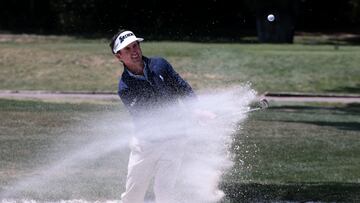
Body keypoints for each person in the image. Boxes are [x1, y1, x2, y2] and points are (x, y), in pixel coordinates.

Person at [109, 29, 197, 203]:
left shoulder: (160, 65)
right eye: (128, 49)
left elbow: (183, 88)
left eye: (135, 45)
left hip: (175, 140)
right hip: (146, 145)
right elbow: (146, 115)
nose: (134, 51)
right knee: (134, 194)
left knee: (165, 190)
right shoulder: (125, 87)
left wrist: (196, 109)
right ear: (119, 56)